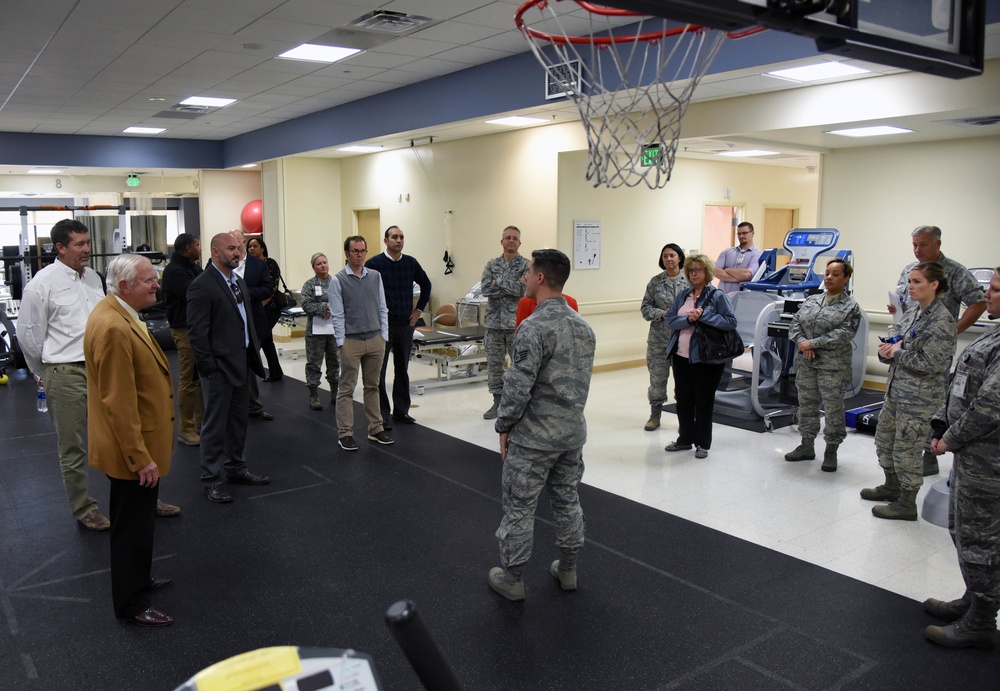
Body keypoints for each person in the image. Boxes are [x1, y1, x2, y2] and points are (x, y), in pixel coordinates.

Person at [488, 249, 596, 602]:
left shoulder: (531, 327)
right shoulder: (584, 327)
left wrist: (503, 425)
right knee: (567, 501)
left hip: (534, 439)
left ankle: (513, 577)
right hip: (571, 434)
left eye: (528, 271)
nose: (524, 277)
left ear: (540, 278)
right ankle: (568, 570)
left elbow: (517, 389)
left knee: (520, 508)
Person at [84, 254, 175, 627]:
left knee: (138, 525)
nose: (156, 285)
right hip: (130, 452)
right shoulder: (113, 326)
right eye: (148, 280)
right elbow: (118, 402)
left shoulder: (115, 312)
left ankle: (138, 580)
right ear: (124, 286)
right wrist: (140, 458)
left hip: (134, 444)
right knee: (130, 529)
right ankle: (131, 603)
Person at [924, 267, 1000, 649]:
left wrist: (950, 439)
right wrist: (941, 422)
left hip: (990, 463)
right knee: (962, 529)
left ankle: (983, 619)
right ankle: (974, 598)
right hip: (972, 457)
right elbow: (961, 380)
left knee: (982, 540)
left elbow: (989, 406)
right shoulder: (995, 333)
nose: (988, 295)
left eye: (997, 290)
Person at [18, 219, 110, 530]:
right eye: (79, 244)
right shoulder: (41, 284)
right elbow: (29, 338)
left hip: (101, 369)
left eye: (87, 242)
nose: (87, 249)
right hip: (64, 371)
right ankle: (85, 508)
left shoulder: (94, 279)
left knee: (121, 436)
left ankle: (137, 497)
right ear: (60, 247)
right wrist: (43, 373)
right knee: (73, 447)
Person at [887, 225, 987, 477]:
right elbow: (905, 302)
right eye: (914, 245)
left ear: (937, 244)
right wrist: (898, 311)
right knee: (901, 405)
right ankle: (902, 459)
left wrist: (954, 330)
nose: (918, 250)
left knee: (931, 402)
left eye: (923, 244)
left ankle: (928, 454)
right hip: (906, 345)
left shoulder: (953, 271)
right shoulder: (910, 270)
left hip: (934, 348)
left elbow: (979, 301)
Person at [862, 261, 956, 520]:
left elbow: (932, 363)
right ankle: (891, 485)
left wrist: (898, 353)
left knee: (907, 449)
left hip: (920, 398)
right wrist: (887, 352)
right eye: (910, 282)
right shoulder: (915, 312)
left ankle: (907, 502)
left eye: (917, 282)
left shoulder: (941, 320)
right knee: (885, 440)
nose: (910, 287)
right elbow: (898, 343)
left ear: (934, 285)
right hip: (897, 390)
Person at [187, 233, 271, 503]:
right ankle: (211, 479)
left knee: (238, 421)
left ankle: (235, 467)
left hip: (241, 363)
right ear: (215, 252)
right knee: (214, 425)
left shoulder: (238, 282)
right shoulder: (202, 285)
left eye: (240, 248)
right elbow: (197, 334)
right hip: (219, 368)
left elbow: (245, 320)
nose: (238, 253)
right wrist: (209, 369)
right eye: (231, 248)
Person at [784, 258, 862, 471]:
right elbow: (795, 323)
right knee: (807, 404)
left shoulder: (851, 306)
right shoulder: (812, 300)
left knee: (833, 408)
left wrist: (813, 343)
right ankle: (806, 445)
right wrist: (802, 342)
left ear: (846, 278)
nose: (829, 277)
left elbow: (843, 334)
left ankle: (831, 450)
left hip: (833, 366)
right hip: (807, 362)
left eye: (835, 274)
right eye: (827, 273)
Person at [663, 254, 738, 459]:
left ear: (707, 272)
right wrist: (688, 319)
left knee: (703, 401)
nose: (694, 273)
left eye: (698, 270)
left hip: (707, 359)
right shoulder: (683, 295)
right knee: (684, 400)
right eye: (691, 270)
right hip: (681, 356)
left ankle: (703, 443)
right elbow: (670, 321)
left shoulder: (717, 296)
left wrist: (704, 316)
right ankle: (684, 439)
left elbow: (730, 322)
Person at [365, 225, 432, 428]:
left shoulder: (411, 263)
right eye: (394, 237)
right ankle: (382, 415)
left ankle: (401, 411)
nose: (399, 240)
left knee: (402, 369)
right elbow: (364, 290)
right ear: (386, 241)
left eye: (402, 237)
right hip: (382, 326)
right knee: (379, 371)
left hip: (405, 324)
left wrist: (418, 310)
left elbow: (426, 285)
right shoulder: (374, 264)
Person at [329, 236, 392, 451]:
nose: (359, 254)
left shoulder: (375, 276)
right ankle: (345, 433)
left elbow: (382, 306)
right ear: (346, 253)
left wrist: (384, 335)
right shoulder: (338, 280)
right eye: (355, 251)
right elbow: (337, 314)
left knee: (373, 386)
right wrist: (341, 342)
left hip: (375, 339)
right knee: (346, 389)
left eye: (362, 250)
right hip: (351, 342)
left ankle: (376, 428)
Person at [480, 225, 530, 420]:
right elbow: (485, 288)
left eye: (514, 238)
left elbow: (522, 290)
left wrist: (498, 283)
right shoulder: (491, 264)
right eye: (507, 237)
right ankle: (497, 403)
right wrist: (510, 285)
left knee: (520, 367)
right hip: (493, 325)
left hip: (515, 326)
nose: (511, 241)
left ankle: (519, 404)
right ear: (501, 242)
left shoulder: (526, 265)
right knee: (494, 367)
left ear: (519, 243)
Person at [161, 233, 204, 447]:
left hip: (199, 328)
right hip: (184, 329)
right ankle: (186, 429)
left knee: (200, 378)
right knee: (188, 380)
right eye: (197, 245)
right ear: (188, 248)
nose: (200, 248)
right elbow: (198, 293)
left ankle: (200, 424)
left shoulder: (193, 267)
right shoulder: (173, 271)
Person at [640, 243, 689, 431]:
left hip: (684, 340)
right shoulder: (655, 282)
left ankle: (684, 419)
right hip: (659, 341)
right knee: (657, 381)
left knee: (683, 383)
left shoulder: (690, 280)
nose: (668, 259)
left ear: (679, 258)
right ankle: (655, 415)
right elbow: (645, 309)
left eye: (672, 255)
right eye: (665, 256)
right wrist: (661, 313)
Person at [230, 229, 274, 421]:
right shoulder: (219, 264)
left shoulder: (258, 264)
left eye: (237, 243)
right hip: (229, 322)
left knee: (251, 362)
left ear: (243, 242)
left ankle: (254, 406)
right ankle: (233, 406)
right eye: (231, 244)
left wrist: (243, 292)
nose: (235, 248)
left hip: (253, 320)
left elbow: (267, 288)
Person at [300, 253, 339, 410]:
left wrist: (333, 309)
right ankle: (314, 395)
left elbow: (344, 301)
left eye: (325, 262)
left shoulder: (336, 282)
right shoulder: (309, 285)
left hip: (334, 331)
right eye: (319, 264)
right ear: (313, 267)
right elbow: (306, 305)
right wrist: (324, 308)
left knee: (335, 362)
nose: (323, 265)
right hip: (315, 332)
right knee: (314, 363)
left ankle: (335, 393)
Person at [247, 236, 285, 382]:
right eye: (249, 246)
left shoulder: (269, 263)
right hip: (258, 307)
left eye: (255, 246)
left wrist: (259, 305)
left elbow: (271, 288)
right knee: (266, 339)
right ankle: (275, 371)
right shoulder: (250, 265)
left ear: (262, 248)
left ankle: (250, 369)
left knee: (259, 337)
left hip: (271, 307)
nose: (251, 249)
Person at [713, 221, 762, 294]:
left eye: (744, 233)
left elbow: (747, 275)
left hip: (741, 298)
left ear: (752, 233)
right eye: (739, 234)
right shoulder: (727, 252)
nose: (741, 236)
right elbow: (715, 271)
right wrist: (738, 278)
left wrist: (726, 269)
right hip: (722, 296)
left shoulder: (757, 254)